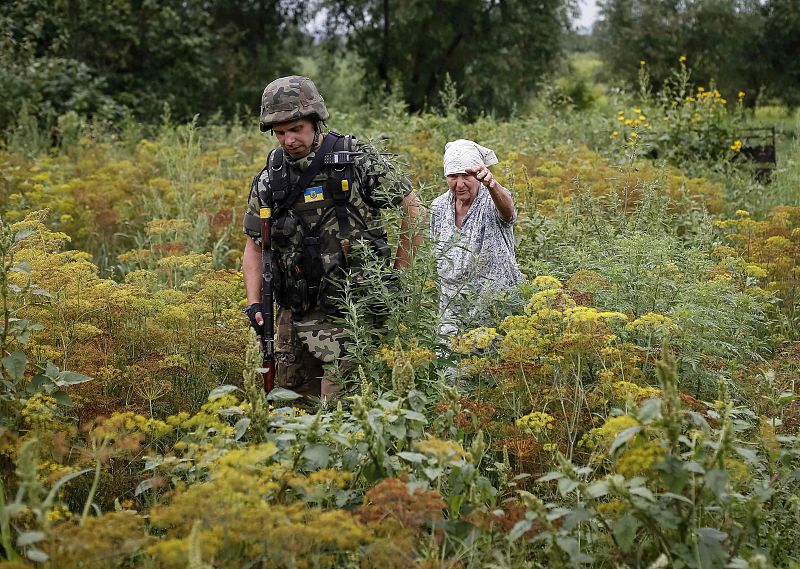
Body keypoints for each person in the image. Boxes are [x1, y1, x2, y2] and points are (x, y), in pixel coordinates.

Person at [241, 75, 423, 399]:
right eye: (280, 133)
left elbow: (415, 211)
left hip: (352, 310)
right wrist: (255, 302)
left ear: (315, 120)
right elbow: (255, 246)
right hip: (294, 312)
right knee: (291, 411)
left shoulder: (355, 160)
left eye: (295, 129)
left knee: (342, 414)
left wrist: (396, 275)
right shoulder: (271, 180)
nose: (288, 140)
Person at [429, 139, 524, 336]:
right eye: (453, 176)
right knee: (449, 364)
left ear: (479, 176)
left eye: (466, 176)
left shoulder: (492, 199)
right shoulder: (438, 207)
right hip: (452, 313)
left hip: (496, 309)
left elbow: (508, 213)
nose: (460, 184)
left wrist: (493, 185)